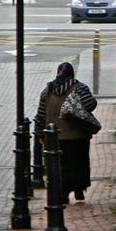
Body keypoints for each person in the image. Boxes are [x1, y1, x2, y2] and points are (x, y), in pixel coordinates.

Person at [34, 62, 97, 204]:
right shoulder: (79, 87)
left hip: (56, 137)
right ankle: (79, 190)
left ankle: (63, 194)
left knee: (60, 166)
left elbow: (41, 115)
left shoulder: (47, 91)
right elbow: (91, 104)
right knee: (79, 162)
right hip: (78, 136)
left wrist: (39, 134)